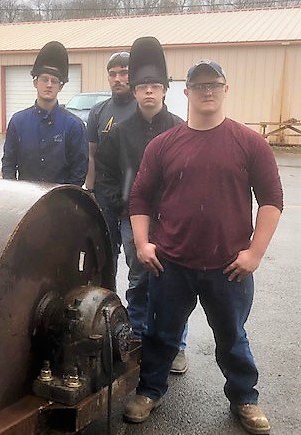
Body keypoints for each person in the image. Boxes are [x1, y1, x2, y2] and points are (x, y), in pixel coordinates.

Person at [123, 59, 283, 435]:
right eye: (199, 85)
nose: (206, 91)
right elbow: (140, 199)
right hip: (171, 265)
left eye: (214, 84)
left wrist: (254, 254)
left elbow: (272, 199)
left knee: (232, 337)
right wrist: (144, 244)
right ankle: (149, 390)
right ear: (187, 92)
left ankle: (245, 398)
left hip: (229, 267)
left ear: (225, 90)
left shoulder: (249, 143)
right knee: (161, 334)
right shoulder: (163, 145)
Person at [95, 37, 188, 373]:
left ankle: (176, 346)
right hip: (132, 221)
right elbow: (104, 174)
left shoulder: (181, 129)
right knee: (138, 279)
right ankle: (136, 338)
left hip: (173, 222)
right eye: (143, 86)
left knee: (175, 282)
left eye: (155, 86)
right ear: (134, 92)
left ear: (165, 90)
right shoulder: (118, 133)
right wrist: (123, 204)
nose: (149, 92)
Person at [1, 41, 88, 186]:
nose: (49, 84)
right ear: (35, 83)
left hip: (61, 202)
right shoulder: (18, 122)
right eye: (44, 79)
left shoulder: (74, 126)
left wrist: (65, 198)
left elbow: (79, 170)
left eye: (54, 81)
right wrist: (14, 193)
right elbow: (8, 163)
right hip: (25, 201)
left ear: (60, 87)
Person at [86, 51, 137, 280]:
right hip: (104, 196)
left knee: (135, 256)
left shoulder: (141, 110)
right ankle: (108, 307)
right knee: (105, 256)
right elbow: (91, 154)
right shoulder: (98, 112)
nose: (118, 78)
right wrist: (89, 190)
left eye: (124, 73)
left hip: (133, 199)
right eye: (113, 74)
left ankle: (137, 311)